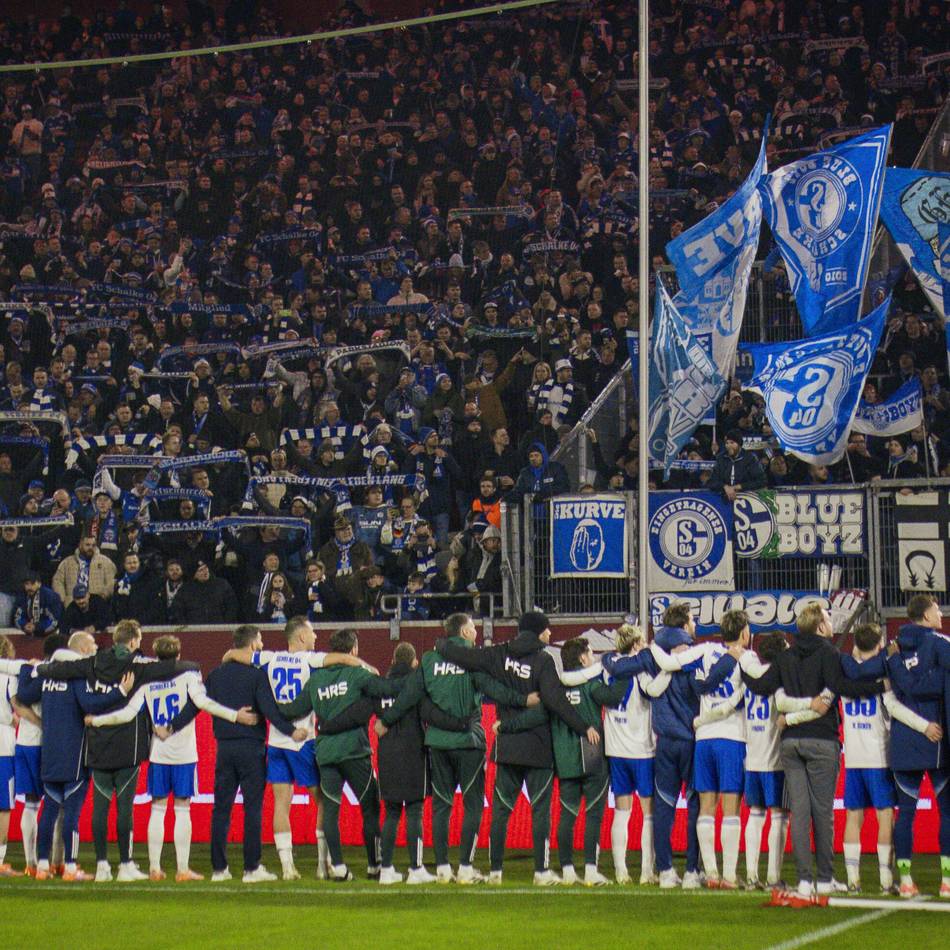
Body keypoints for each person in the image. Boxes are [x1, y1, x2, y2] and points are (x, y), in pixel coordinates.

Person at [434, 610, 598, 885]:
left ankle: (496, 872)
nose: (550, 634)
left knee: (501, 811)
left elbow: (468, 657)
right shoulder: (544, 660)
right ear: (536, 631)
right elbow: (554, 702)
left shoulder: (500, 654)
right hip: (538, 748)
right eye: (546, 629)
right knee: (540, 812)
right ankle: (541, 873)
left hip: (507, 747)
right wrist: (584, 727)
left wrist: (441, 645)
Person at [372, 612, 536, 883]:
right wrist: (522, 699)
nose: (475, 630)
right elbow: (493, 689)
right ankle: (466, 869)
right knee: (472, 805)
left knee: (441, 805)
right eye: (472, 626)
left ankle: (443, 869)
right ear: (464, 633)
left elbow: (410, 694)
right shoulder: (474, 658)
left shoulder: (429, 660)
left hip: (437, 743)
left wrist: (386, 721)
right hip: (469, 743)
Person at [36, 619, 201, 883]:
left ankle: (102, 866)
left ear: (115, 640)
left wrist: (40, 668)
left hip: (97, 744)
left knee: (100, 808)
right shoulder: (138, 666)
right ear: (134, 641)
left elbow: (60, 670)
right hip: (128, 746)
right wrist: (195, 666)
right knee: (124, 808)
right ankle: (125, 864)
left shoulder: (91, 663)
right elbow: (171, 667)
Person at [84, 635, 258, 882]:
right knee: (182, 809)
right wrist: (235, 716)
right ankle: (182, 869)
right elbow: (204, 703)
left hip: (158, 753)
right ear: (178, 655)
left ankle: (155, 868)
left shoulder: (147, 683)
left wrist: (96, 720)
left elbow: (126, 714)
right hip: (184, 754)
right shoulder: (188, 675)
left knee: (157, 809)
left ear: (156, 656)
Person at [741, 603, 887, 898]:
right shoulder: (829, 653)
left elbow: (760, 685)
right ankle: (824, 878)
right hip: (822, 741)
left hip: (791, 743)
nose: (832, 622)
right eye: (829, 618)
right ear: (820, 626)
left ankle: (804, 880)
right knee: (823, 813)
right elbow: (842, 687)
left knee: (799, 813)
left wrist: (740, 663)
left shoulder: (785, 656)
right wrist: (879, 687)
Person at [224, 616, 369, 880]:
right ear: (301, 637)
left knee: (281, 803)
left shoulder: (269, 658)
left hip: (276, 740)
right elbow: (343, 659)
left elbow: (234, 654)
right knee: (323, 800)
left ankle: (288, 867)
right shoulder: (309, 660)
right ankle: (322, 864)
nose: (315, 637)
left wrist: (226, 658)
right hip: (303, 741)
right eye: (312, 632)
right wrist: (366, 667)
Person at [501, 636, 631, 886]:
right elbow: (614, 696)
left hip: (565, 760)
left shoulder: (554, 689)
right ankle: (591, 871)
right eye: (590, 652)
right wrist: (625, 670)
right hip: (592, 758)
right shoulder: (590, 685)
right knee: (593, 816)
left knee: (567, 817)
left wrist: (506, 726)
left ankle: (568, 870)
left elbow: (534, 716)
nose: (592, 656)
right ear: (583, 658)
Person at [276, 627, 400, 882]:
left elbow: (293, 710)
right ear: (354, 650)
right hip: (355, 751)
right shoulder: (358, 674)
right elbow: (387, 690)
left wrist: (265, 703)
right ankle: (374, 866)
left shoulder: (317, 678)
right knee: (370, 807)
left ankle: (339, 867)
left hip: (326, 753)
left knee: (331, 809)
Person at [826, 622, 940, 895]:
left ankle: (853, 880)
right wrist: (924, 725)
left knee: (854, 817)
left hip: (852, 758)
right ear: (879, 645)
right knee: (884, 816)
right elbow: (893, 708)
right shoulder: (884, 674)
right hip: (878, 756)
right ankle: (886, 880)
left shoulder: (845, 673)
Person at [187, 625, 306, 883]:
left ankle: (219, 869)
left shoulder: (216, 675)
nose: (262, 645)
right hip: (251, 748)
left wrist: (172, 725)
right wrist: (291, 731)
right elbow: (270, 710)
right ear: (252, 645)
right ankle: (252, 868)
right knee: (252, 808)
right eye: (260, 641)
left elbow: (197, 704)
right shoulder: (256, 675)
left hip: (224, 749)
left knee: (221, 809)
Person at [12, 633, 134, 881]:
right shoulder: (76, 674)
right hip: (73, 754)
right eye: (92, 646)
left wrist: (27, 669)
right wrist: (121, 691)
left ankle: (43, 866)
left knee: (48, 811)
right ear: (80, 649)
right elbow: (90, 703)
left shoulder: (48, 675)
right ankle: (69, 866)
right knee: (71, 815)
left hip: (49, 753)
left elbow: (24, 694)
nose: (95, 648)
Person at [603, 603, 703, 889]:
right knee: (695, 805)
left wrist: (609, 659)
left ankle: (666, 870)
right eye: (693, 620)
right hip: (692, 739)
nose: (694, 625)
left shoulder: (651, 653)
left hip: (664, 742)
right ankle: (693, 871)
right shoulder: (696, 653)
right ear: (684, 625)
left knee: (663, 807)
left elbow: (620, 667)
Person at [885, 593, 950, 899]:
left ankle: (906, 880)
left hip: (903, 741)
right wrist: (931, 678)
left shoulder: (893, 650)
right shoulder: (940, 644)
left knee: (906, 813)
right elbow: (930, 686)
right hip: (937, 740)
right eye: (937, 610)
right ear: (926, 616)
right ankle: (947, 881)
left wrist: (899, 669)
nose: (940, 613)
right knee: (947, 813)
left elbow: (901, 689)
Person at [707, 430, 766, 501]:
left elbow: (761, 481)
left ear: (739, 444)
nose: (729, 446)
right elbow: (712, 481)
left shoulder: (750, 458)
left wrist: (739, 487)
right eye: (727, 443)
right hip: (724, 499)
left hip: (748, 498)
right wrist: (725, 487)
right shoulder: (721, 458)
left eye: (732, 443)